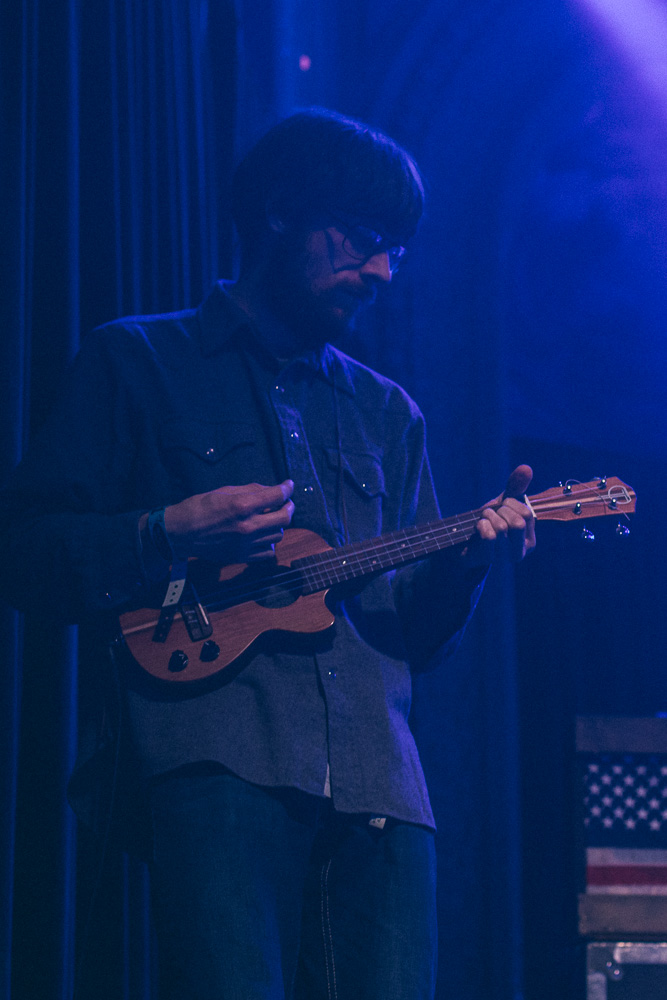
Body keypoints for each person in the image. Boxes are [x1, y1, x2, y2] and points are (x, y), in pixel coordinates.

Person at [0, 109, 535, 999]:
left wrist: (466, 565)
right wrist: (163, 531)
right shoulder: (137, 360)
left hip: (382, 790)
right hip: (216, 769)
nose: (379, 272)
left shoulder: (390, 414)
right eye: (362, 240)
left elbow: (413, 634)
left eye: (396, 252)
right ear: (280, 211)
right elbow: (24, 551)